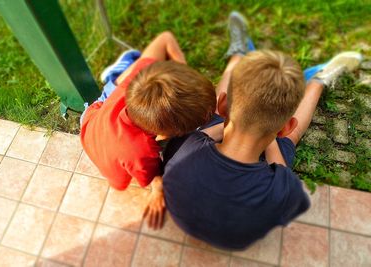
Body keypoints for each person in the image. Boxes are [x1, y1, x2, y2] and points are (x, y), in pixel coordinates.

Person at [162, 11, 363, 249]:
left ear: (224, 106)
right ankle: (318, 82)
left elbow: (206, 132)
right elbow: (282, 173)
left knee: (217, 119)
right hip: (234, 241)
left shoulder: (182, 148)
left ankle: (239, 54)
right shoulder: (286, 188)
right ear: (286, 125)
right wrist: (269, 132)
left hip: (185, 222)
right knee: (291, 140)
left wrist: (239, 121)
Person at [80, 32, 217, 229]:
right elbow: (152, 177)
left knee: (119, 83)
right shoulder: (142, 151)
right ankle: (121, 69)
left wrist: (180, 76)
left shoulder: (145, 79)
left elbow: (165, 38)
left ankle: (126, 65)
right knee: (119, 182)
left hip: (92, 117)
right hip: (107, 151)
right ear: (165, 135)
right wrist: (158, 191)